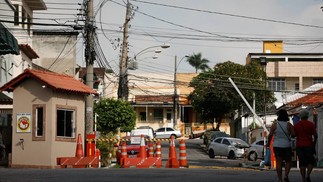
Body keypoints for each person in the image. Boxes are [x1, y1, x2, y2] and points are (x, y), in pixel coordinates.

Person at [267, 109, 295, 182]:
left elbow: (270, 135)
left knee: (279, 162)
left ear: (278, 116)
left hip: (277, 146)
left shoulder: (275, 125)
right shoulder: (289, 125)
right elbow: (293, 135)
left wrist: (268, 143)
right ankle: (286, 175)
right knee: (288, 161)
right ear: (286, 116)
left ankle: (280, 179)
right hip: (287, 146)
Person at [294, 109, 318, 182]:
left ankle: (303, 179)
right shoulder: (311, 124)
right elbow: (315, 135)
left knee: (302, 163)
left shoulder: (297, 125)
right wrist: (314, 143)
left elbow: (294, 135)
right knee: (311, 161)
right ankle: (308, 175)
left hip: (299, 146)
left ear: (300, 116)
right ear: (307, 116)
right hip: (309, 145)